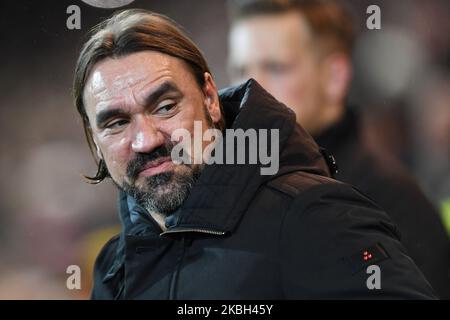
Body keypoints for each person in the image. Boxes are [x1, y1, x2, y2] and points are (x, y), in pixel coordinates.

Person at [73, 9, 436, 299]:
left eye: (166, 107)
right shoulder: (113, 267)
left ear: (211, 100)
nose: (145, 140)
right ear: (94, 140)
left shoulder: (315, 216)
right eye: (116, 123)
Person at [228, 0, 450, 298]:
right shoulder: (231, 193)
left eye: (275, 67)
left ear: (335, 77)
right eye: (240, 69)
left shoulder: (391, 199)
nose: (249, 90)